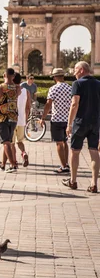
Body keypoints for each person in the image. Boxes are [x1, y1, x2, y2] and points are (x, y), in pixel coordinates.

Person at [62, 62, 100, 192]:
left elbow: (74, 104)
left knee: (75, 151)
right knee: (94, 151)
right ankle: (94, 183)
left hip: (80, 122)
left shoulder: (77, 84)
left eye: (75, 70)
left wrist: (69, 124)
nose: (74, 73)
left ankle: (73, 181)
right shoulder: (98, 84)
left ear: (82, 70)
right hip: (95, 123)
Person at [0, 68, 21, 173]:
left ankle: (13, 165)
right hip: (14, 118)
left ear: (4, 75)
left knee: (5, 142)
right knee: (8, 142)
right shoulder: (18, 88)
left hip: (2, 118)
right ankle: (2, 164)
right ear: (14, 76)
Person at [40, 68, 72, 174]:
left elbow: (48, 104)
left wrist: (43, 118)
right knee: (65, 142)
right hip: (67, 119)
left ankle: (63, 166)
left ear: (54, 77)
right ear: (63, 76)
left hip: (57, 118)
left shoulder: (53, 89)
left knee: (59, 143)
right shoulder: (70, 88)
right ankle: (66, 163)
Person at [5, 73, 31, 169]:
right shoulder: (26, 91)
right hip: (21, 120)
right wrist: (25, 117)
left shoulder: (10, 90)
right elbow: (28, 107)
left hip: (11, 119)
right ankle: (23, 153)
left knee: (11, 143)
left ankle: (14, 162)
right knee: (20, 141)